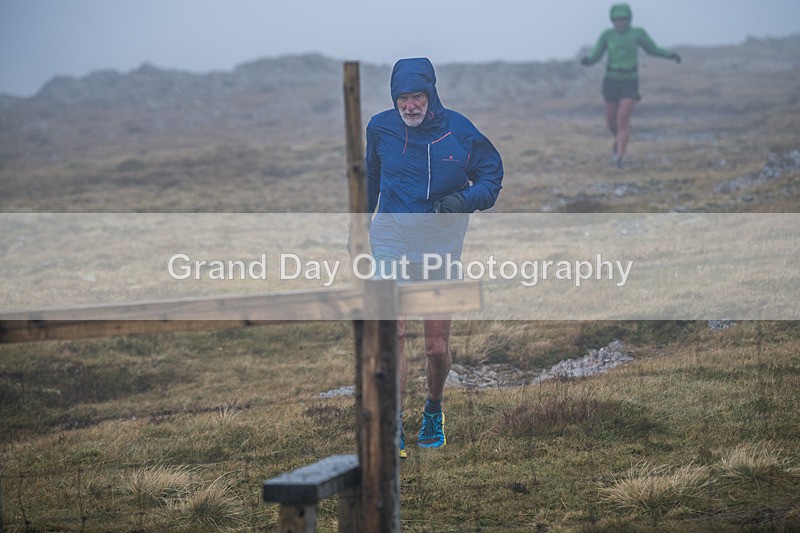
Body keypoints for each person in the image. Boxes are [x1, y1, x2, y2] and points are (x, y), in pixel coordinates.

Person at [365, 57, 504, 457]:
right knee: (393, 332)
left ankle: (433, 410)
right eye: (402, 98)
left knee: (435, 349)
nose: (409, 106)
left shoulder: (458, 131)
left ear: (431, 95)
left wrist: (463, 200)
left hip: (440, 248)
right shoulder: (380, 128)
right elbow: (370, 180)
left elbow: (492, 178)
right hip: (390, 238)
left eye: (417, 97)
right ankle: (393, 426)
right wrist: (358, 230)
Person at [580, 3, 681, 168]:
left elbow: (652, 49)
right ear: (612, 20)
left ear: (629, 19)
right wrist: (588, 60)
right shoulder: (607, 35)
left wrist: (669, 54)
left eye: (624, 19)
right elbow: (595, 54)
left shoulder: (637, 34)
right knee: (611, 123)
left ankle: (619, 157)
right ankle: (618, 139)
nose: (620, 23)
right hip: (611, 80)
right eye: (617, 20)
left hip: (630, 80)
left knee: (623, 119)